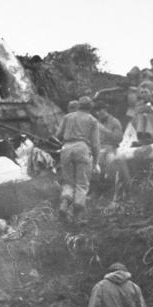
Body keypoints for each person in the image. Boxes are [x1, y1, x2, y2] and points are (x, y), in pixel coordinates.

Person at [55, 96, 100, 224]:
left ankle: (64, 204)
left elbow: (58, 135)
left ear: (79, 105)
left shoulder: (67, 117)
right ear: (90, 107)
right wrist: (95, 162)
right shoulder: (92, 120)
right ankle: (77, 218)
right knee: (82, 183)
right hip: (82, 148)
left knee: (68, 181)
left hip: (66, 148)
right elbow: (96, 144)